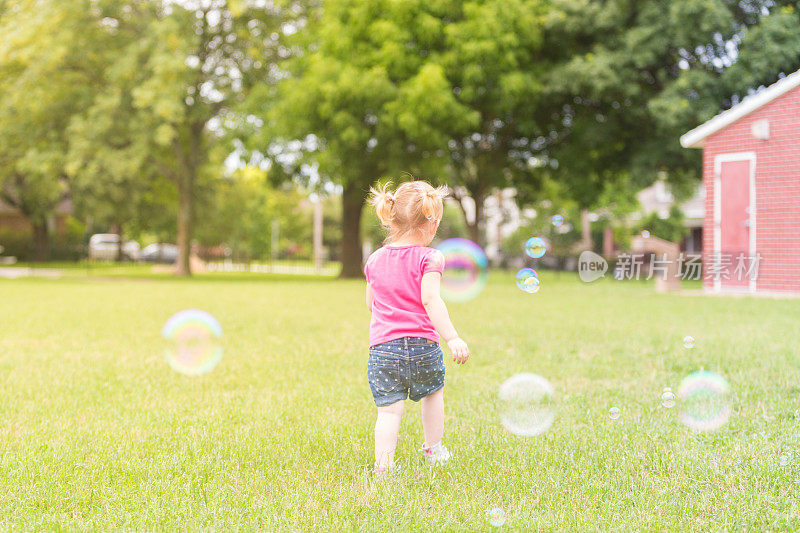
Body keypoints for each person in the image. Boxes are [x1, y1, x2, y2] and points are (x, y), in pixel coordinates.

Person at [364, 179, 471, 475]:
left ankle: (384, 467)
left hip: (383, 349)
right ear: (433, 223)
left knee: (388, 411)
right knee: (433, 393)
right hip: (424, 346)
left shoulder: (374, 260)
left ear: (391, 217)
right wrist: (452, 337)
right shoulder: (430, 257)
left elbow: (371, 304)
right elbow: (431, 300)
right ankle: (433, 449)